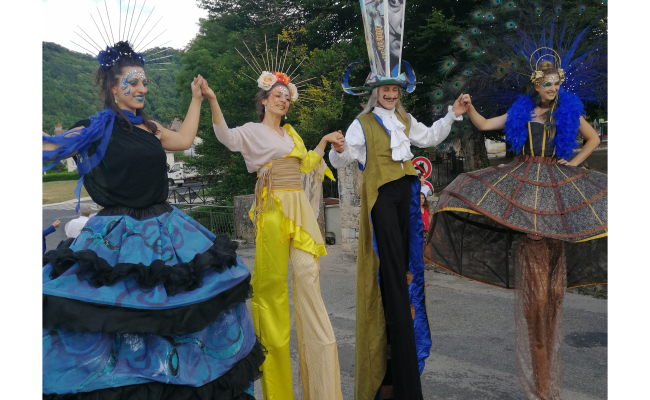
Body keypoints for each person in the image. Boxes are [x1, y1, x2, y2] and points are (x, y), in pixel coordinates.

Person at [42, 40, 264, 399]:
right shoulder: (96, 128)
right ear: (113, 87)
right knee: (124, 314)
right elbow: (50, 147)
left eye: (144, 82)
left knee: (175, 309)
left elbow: (185, 138)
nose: (141, 88)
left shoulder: (151, 128)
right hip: (116, 236)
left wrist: (197, 98)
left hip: (166, 229)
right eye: (132, 82)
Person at [425, 55, 607, 400]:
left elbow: (593, 140)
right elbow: (484, 125)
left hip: (555, 182)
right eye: (546, 83)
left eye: (556, 83)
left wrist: (573, 163)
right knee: (535, 260)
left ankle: (545, 346)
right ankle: (541, 373)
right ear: (536, 85)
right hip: (525, 182)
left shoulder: (567, 111)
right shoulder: (522, 111)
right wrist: (469, 106)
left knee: (552, 266)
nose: (552, 88)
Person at [203, 60, 344, 399]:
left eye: (287, 96)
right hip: (272, 211)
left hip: (298, 211)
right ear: (264, 100)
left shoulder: (291, 134)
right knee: (271, 294)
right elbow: (225, 136)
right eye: (277, 95)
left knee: (308, 274)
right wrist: (212, 100)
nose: (284, 100)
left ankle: (320, 386)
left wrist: (323, 141)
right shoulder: (253, 131)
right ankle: (278, 392)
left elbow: (306, 165)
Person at [331, 78, 466, 397]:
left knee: (409, 267)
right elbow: (343, 159)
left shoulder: (404, 119)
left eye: (395, 90)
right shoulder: (362, 123)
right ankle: (393, 326)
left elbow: (429, 136)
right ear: (375, 93)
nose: (391, 94)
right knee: (389, 268)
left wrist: (453, 114)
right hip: (382, 197)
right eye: (385, 90)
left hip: (408, 194)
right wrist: (339, 149)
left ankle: (406, 330)